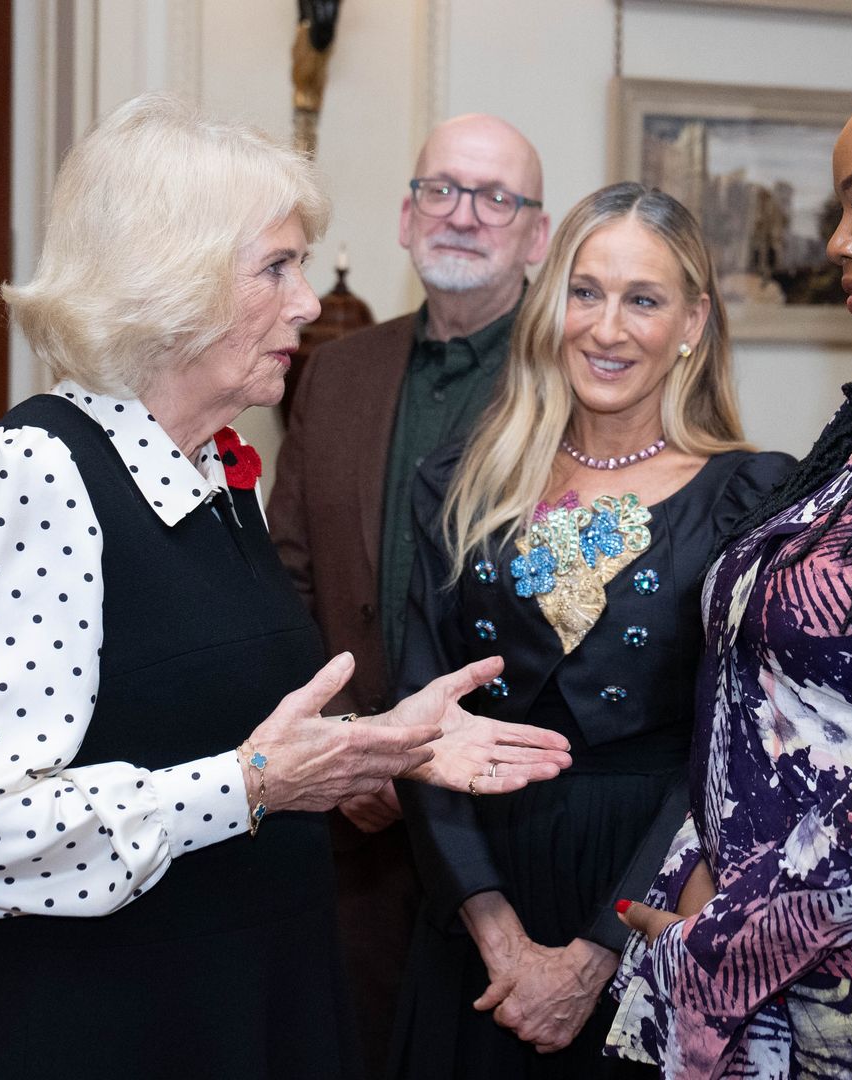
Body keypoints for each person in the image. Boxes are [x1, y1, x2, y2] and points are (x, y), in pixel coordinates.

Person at [0, 92, 573, 1080]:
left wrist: (384, 741)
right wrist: (253, 787)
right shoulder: (35, 474)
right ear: (172, 280)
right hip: (103, 1026)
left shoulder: (215, 474)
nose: (310, 302)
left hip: (247, 998)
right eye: (277, 266)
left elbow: (203, 721)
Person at [609, 2, 852, 1076]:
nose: (836, 240)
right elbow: (757, 700)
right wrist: (696, 878)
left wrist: (723, 942)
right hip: (764, 986)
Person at [390, 181, 794, 1079]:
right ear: (551, 306)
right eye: (585, 292)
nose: (607, 329)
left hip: (650, 901)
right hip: (472, 892)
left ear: (691, 321)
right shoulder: (458, 482)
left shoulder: (754, 498)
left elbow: (738, 750)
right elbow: (416, 715)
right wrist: (496, 935)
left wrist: (594, 952)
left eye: (642, 300)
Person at [267, 112, 550, 1075]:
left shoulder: (574, 382)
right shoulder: (335, 373)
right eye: (441, 189)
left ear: (535, 235)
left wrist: (428, 755)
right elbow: (288, 581)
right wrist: (353, 752)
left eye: (495, 197)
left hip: (507, 825)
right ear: (404, 214)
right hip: (347, 828)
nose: (463, 215)